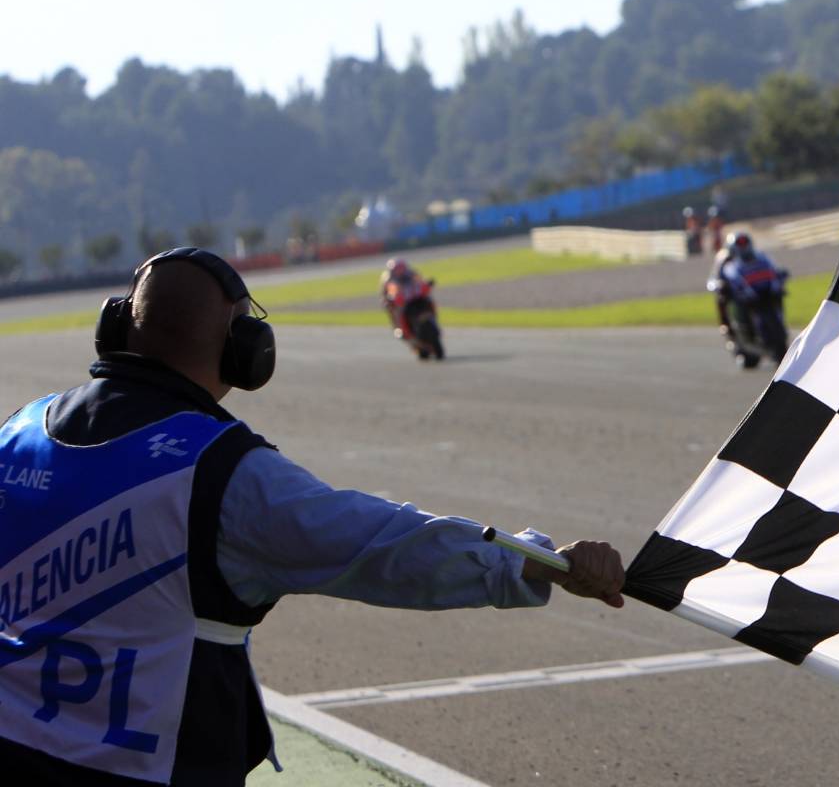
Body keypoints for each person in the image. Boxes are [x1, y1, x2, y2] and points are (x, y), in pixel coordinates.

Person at [0, 248, 625, 786]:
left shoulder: (17, 433)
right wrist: (540, 563)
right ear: (244, 351)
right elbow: (389, 547)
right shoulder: (226, 473)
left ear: (116, 328)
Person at [706, 231, 785, 348]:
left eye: (745, 245)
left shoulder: (759, 256)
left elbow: (772, 269)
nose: (743, 249)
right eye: (740, 245)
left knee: (779, 293)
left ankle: (779, 321)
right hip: (737, 293)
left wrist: (779, 276)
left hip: (760, 291)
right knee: (722, 298)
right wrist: (719, 285)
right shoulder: (723, 259)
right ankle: (727, 327)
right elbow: (713, 279)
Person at [379, 257, 432, 342]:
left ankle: (431, 316)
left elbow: (420, 280)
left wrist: (426, 283)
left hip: (413, 296)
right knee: (393, 310)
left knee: (428, 299)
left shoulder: (411, 272)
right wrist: (387, 299)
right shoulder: (388, 278)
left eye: (401, 268)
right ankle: (398, 327)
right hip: (400, 299)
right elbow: (386, 292)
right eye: (397, 269)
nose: (400, 271)